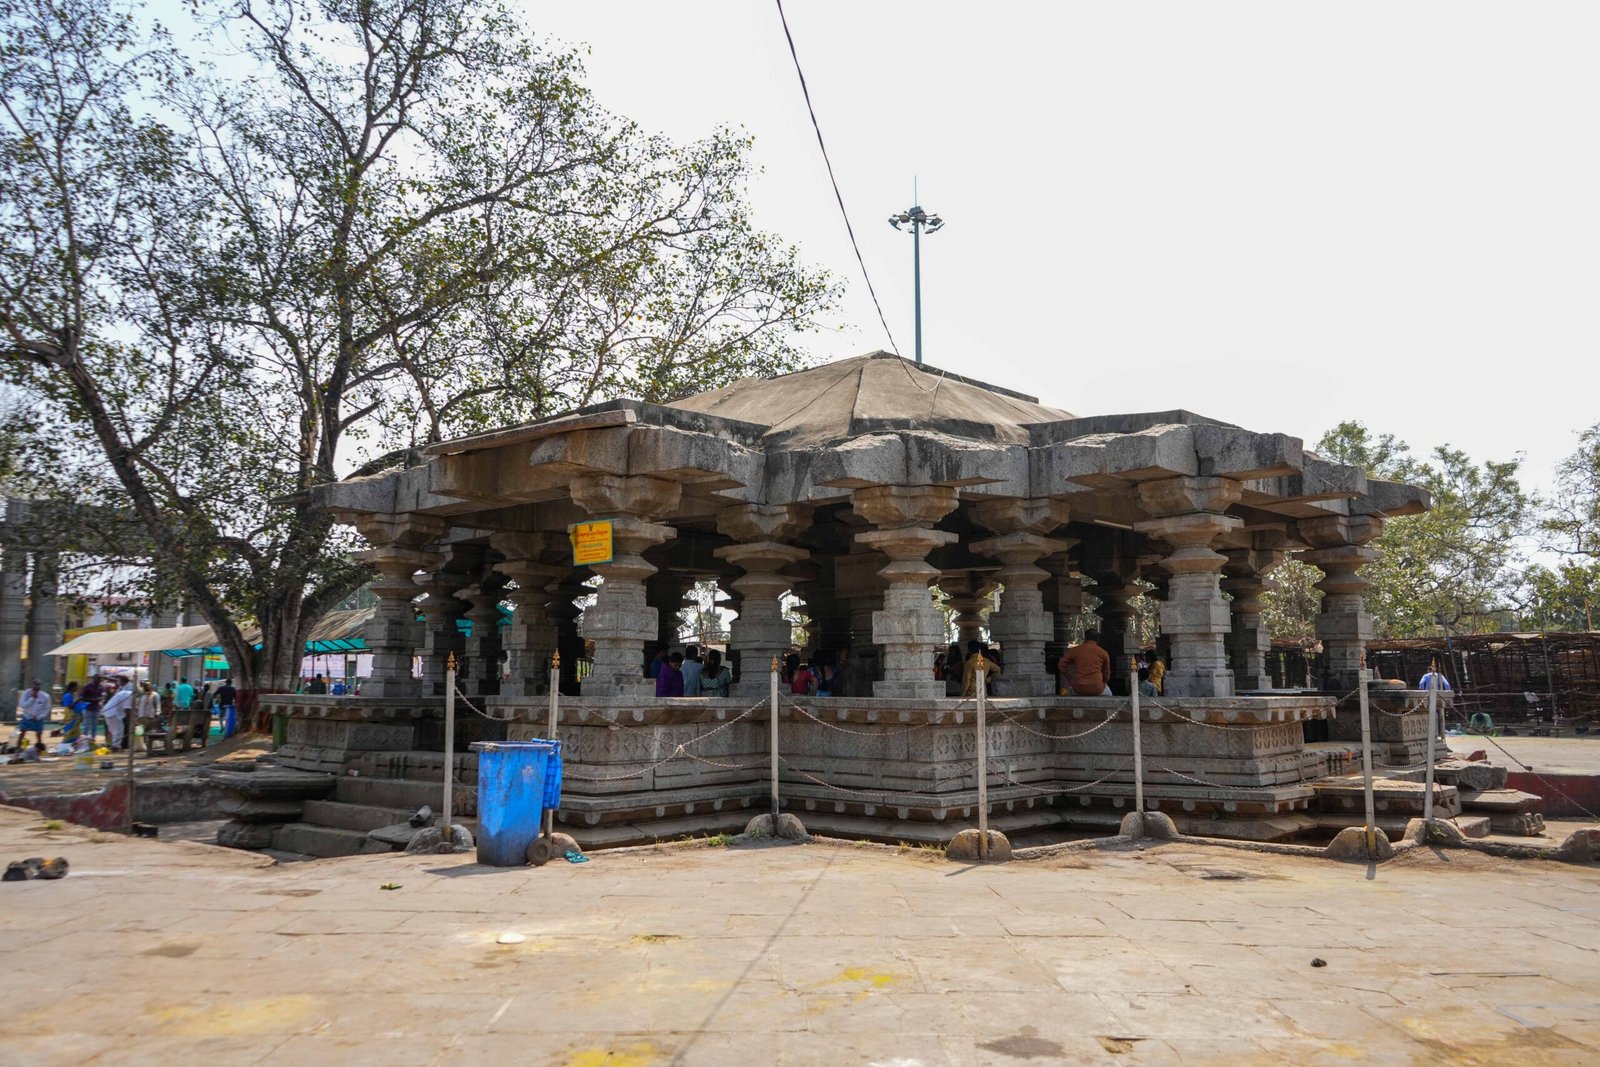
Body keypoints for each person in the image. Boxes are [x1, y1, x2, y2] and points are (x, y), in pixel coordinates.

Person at [1059, 629, 1113, 696]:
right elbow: (1107, 674)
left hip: (1078, 687)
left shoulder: (1075, 650)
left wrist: (1069, 677)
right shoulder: (1103, 653)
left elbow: (1061, 664)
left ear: (1085, 637)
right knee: (1109, 695)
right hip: (1097, 687)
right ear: (1098, 639)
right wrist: (1102, 682)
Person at [101, 676, 133, 750]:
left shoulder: (125, 692)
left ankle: (112, 744)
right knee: (119, 729)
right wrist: (133, 719)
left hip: (109, 711)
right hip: (112, 712)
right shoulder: (129, 695)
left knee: (113, 730)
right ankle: (115, 746)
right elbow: (127, 709)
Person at [16, 681, 51, 748]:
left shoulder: (45, 696)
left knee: (39, 734)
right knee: (21, 733)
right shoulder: (26, 693)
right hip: (26, 716)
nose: (36, 689)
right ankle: (18, 749)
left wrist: (39, 717)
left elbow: (47, 709)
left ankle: (39, 749)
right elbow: (22, 705)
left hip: (38, 718)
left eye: (37, 687)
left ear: (40, 687)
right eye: (34, 687)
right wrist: (32, 698)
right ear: (32, 686)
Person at [78, 674, 106, 748]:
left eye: (100, 679)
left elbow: (103, 696)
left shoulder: (101, 687)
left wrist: (100, 699)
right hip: (88, 708)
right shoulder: (88, 687)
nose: (99, 681)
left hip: (96, 708)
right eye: (98, 679)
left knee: (94, 725)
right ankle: (84, 740)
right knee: (86, 725)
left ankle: (92, 739)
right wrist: (92, 700)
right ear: (94, 679)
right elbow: (82, 698)